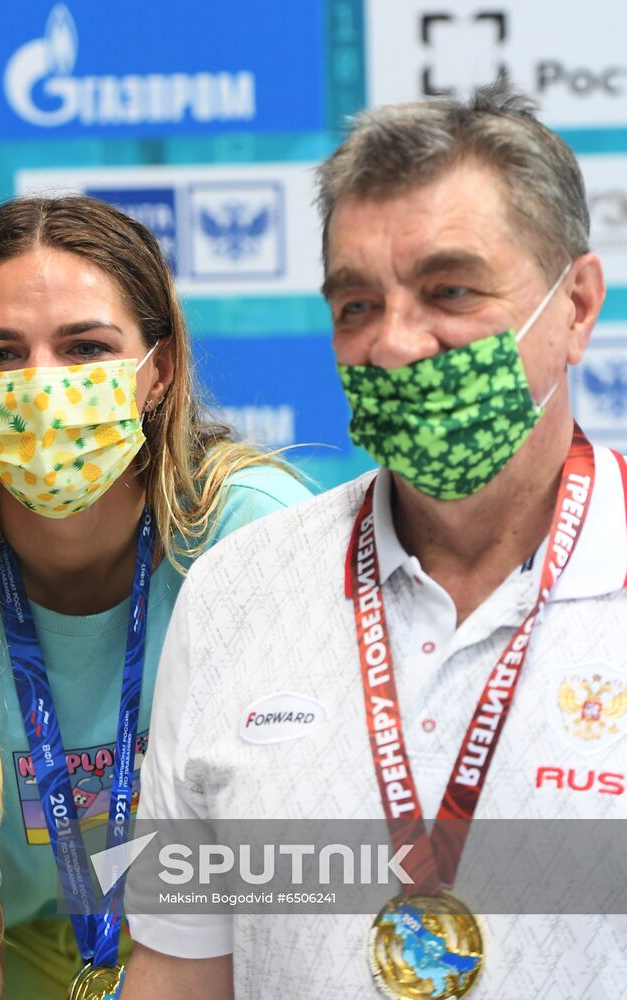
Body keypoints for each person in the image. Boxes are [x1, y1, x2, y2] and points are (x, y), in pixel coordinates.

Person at [122, 85, 627, 999]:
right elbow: (179, 970)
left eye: (450, 291)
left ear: (577, 306)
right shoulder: (235, 594)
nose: (393, 343)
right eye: (355, 305)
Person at [0, 195, 311, 999]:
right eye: (0, 356)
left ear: (157, 372)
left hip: (219, 966)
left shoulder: (249, 542)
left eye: (85, 347)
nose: (42, 385)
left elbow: (308, 863)